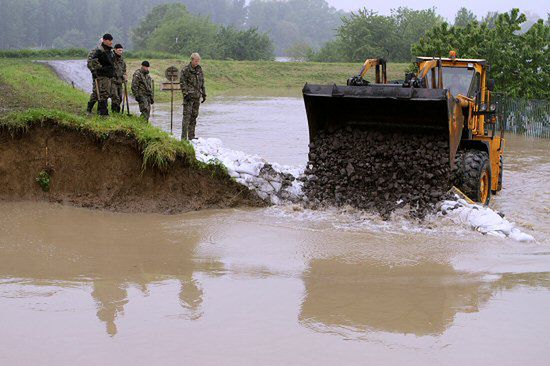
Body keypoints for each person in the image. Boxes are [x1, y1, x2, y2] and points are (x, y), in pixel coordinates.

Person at [180, 53, 206, 140]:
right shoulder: (185, 70)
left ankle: (191, 136)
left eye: (198, 61)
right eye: (196, 61)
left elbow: (202, 82)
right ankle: (183, 138)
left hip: (197, 97)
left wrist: (204, 94)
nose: (197, 62)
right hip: (189, 98)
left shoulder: (199, 69)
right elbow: (182, 83)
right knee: (186, 117)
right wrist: (185, 94)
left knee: (194, 116)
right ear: (191, 60)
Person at [89, 34, 115, 116]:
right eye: (109, 40)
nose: (111, 42)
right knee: (102, 93)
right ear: (104, 40)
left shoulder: (109, 51)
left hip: (108, 76)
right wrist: (100, 70)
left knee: (105, 93)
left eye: (111, 40)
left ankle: (101, 112)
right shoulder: (100, 51)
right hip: (102, 76)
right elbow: (93, 61)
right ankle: (103, 113)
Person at [110, 44, 127, 113]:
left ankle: (117, 113)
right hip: (112, 81)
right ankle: (115, 112)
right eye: (119, 50)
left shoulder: (122, 60)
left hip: (120, 82)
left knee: (120, 98)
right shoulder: (111, 58)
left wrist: (125, 75)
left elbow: (124, 69)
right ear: (115, 50)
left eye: (122, 50)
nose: (121, 52)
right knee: (115, 97)